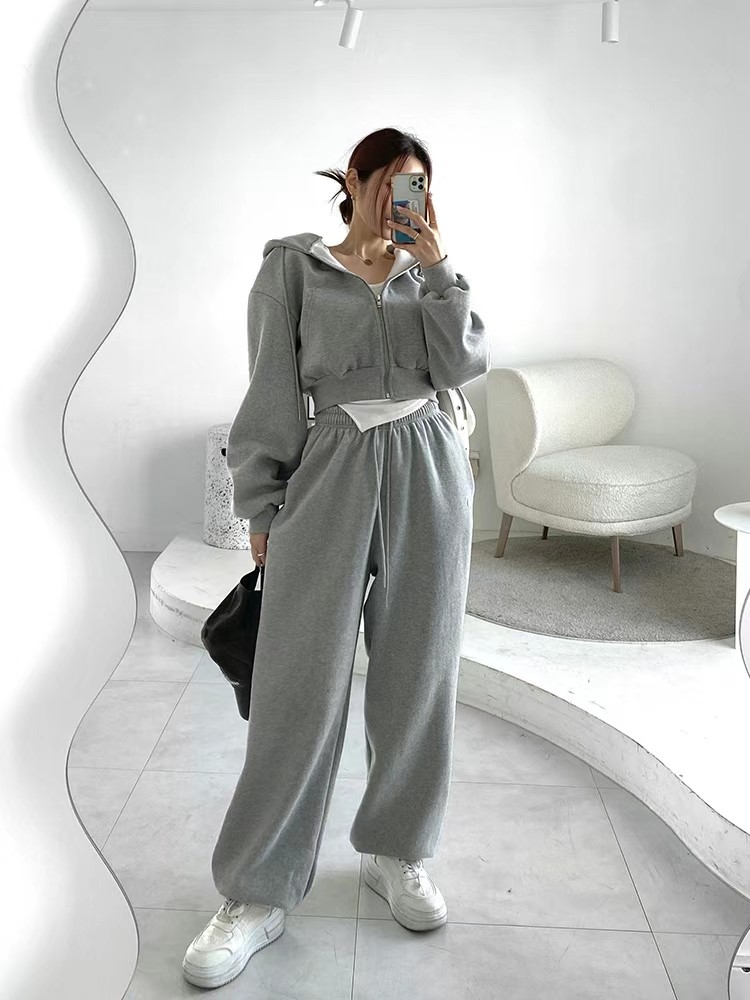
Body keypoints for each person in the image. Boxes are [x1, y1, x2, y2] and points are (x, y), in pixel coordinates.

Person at [182, 127, 489, 989]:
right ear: (355, 179)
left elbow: (464, 363)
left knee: (420, 671)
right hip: (333, 465)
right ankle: (256, 890)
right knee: (296, 685)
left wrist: (439, 267)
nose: (402, 201)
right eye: (392, 183)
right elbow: (270, 388)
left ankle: (398, 851)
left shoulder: (430, 273)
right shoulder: (294, 268)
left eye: (418, 187)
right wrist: (261, 502)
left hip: (431, 463)